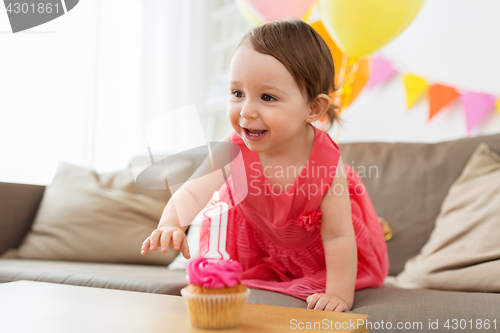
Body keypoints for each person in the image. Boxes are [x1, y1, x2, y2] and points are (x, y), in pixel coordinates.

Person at [141, 19, 389, 312]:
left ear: (313, 108)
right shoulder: (232, 148)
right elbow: (194, 192)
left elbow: (338, 236)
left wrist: (338, 295)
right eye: (237, 93)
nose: (246, 111)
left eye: (267, 97)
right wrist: (171, 223)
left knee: (332, 260)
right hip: (257, 246)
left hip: (318, 252)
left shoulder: (326, 165)